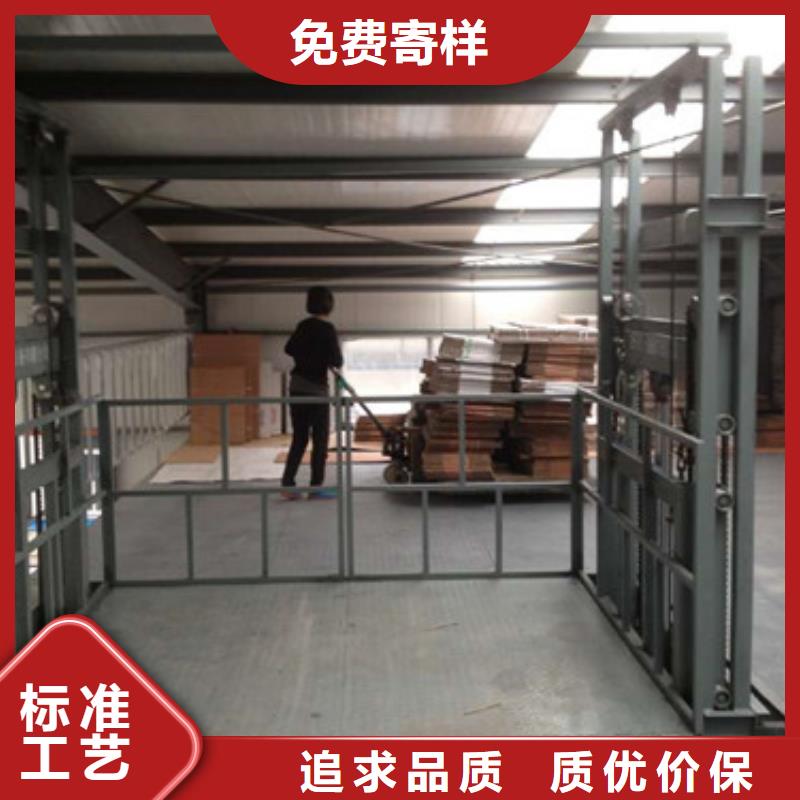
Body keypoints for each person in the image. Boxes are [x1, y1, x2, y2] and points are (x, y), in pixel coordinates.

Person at [281, 286, 343, 499]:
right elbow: (337, 360)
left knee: (299, 439)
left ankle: (288, 486)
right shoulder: (328, 329)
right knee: (320, 440)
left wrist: (306, 354)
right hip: (317, 392)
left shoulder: (303, 326)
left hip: (297, 388)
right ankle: (315, 487)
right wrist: (321, 356)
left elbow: (289, 348)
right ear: (330, 305)